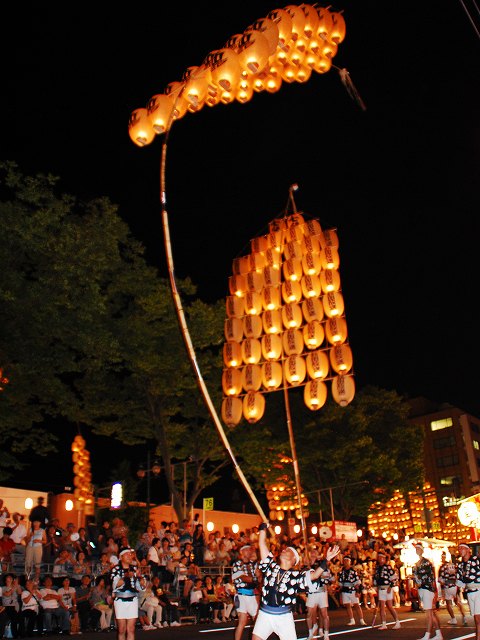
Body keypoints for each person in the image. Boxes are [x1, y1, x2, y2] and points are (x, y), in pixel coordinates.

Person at [251, 522, 340, 640]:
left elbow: (314, 575)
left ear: (294, 559)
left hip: (284, 617)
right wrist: (263, 528)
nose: (284, 550)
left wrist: (326, 559)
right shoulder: (270, 566)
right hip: (264, 614)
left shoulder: (295, 576)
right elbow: (262, 544)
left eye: (288, 550)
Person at [110, 547, 147, 640]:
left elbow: (140, 586)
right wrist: (126, 576)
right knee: (121, 629)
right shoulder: (116, 569)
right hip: (120, 600)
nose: (130, 556)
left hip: (133, 600)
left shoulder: (134, 569)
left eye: (130, 554)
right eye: (127, 554)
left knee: (131, 629)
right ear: (121, 557)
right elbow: (115, 585)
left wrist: (140, 580)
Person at [413, 543, 442, 640]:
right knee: (431, 613)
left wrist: (416, 577)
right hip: (422, 589)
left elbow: (429, 576)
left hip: (427, 588)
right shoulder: (417, 563)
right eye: (416, 549)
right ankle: (438, 634)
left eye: (418, 548)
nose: (417, 550)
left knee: (429, 613)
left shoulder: (426, 562)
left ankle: (427, 635)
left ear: (422, 550)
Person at [305, 546, 335, 640]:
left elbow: (329, 578)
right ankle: (311, 633)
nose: (313, 555)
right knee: (310, 613)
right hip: (311, 592)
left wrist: (328, 583)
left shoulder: (322, 565)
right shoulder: (307, 567)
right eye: (312, 554)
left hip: (321, 592)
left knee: (323, 613)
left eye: (315, 553)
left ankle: (326, 633)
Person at [231, 544, 260, 640]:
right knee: (242, 621)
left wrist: (258, 576)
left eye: (250, 550)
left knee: (257, 620)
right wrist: (256, 579)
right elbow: (244, 578)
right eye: (247, 550)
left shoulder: (253, 564)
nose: (249, 552)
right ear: (242, 552)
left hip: (251, 594)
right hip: (241, 594)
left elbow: (258, 575)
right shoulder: (237, 564)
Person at [372, 551, 401, 630]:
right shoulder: (377, 568)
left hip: (387, 588)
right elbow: (375, 579)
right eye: (379, 558)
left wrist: (390, 587)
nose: (380, 559)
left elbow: (394, 578)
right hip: (380, 589)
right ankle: (383, 623)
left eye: (381, 558)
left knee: (390, 606)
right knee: (382, 607)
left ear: (384, 559)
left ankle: (397, 622)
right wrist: (376, 588)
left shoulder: (388, 567)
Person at [456, 542, 480, 639]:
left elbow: (470, 577)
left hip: (478, 590)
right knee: (475, 617)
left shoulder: (476, 560)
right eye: (459, 548)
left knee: (478, 618)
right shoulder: (460, 564)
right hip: (470, 592)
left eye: (462, 548)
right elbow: (459, 580)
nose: (460, 550)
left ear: (468, 550)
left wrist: (464, 581)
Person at [438, 550, 467, 626]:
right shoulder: (454, 565)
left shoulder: (442, 567)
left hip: (447, 586)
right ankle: (464, 616)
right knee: (458, 601)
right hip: (455, 585)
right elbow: (459, 574)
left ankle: (453, 619)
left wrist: (442, 588)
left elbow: (440, 579)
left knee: (448, 603)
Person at [337, 555, 367, 627]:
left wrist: (358, 591)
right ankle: (351, 620)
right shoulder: (341, 572)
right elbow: (340, 583)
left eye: (347, 561)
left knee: (356, 605)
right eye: (344, 561)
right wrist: (339, 592)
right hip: (344, 590)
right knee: (347, 605)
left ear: (350, 562)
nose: (345, 562)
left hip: (353, 590)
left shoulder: (353, 572)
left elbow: (357, 582)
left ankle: (361, 620)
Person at [1, 573, 22, 639]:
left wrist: (17, 584)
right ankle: (13, 634)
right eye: (8, 577)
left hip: (15, 606)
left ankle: (18, 634)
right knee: (12, 616)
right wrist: (13, 587)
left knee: (19, 617)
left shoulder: (16, 586)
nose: (10, 578)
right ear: (5, 580)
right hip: (6, 606)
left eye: (11, 577)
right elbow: (7, 594)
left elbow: (20, 592)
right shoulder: (3, 588)